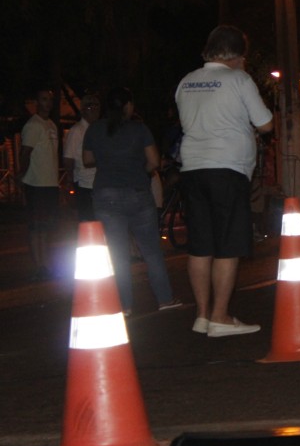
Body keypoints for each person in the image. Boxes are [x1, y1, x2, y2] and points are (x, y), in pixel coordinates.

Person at [175, 24, 274, 337]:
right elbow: (266, 124)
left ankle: (202, 315)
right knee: (228, 246)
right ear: (237, 54)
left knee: (200, 245)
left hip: (192, 168)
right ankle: (220, 317)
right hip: (228, 169)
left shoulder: (186, 82)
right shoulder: (239, 79)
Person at [82, 87, 181, 315]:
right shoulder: (140, 129)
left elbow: (87, 160)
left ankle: (123, 305)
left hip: (106, 195)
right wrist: (141, 169)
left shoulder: (95, 129)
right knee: (151, 251)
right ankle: (165, 299)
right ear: (127, 106)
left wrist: (108, 159)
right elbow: (154, 161)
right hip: (137, 192)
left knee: (117, 254)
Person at [19, 86, 60, 281]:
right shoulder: (33, 125)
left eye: (49, 100)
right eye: (43, 99)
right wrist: (22, 177)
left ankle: (45, 264)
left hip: (50, 184)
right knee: (36, 227)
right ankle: (39, 266)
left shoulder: (51, 124)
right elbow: (25, 153)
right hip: (36, 184)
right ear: (37, 102)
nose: (47, 103)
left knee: (46, 227)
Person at [63, 93, 100, 222]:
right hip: (84, 184)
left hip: (99, 183)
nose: (94, 110)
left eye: (97, 106)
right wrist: (70, 181)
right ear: (83, 110)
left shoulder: (98, 129)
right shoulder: (77, 130)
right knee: (88, 221)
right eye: (91, 107)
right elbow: (68, 158)